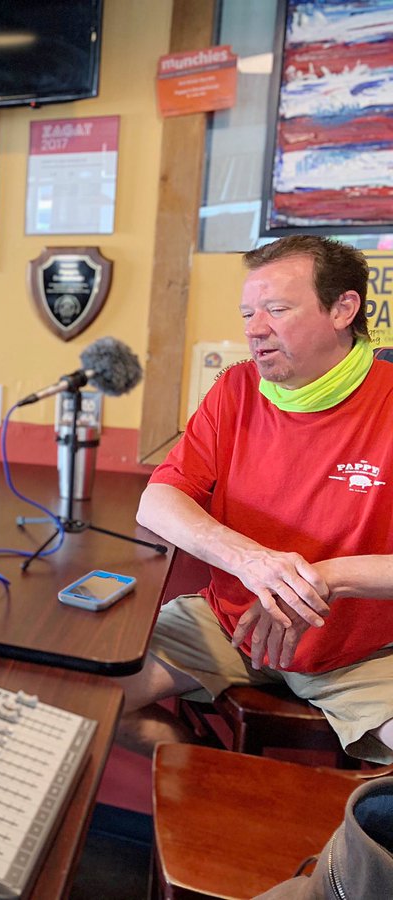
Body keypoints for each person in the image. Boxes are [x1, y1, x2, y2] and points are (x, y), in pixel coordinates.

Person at [120, 234, 393, 765]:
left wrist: (326, 578)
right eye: (248, 312)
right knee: (89, 695)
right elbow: (157, 500)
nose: (254, 328)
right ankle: (210, 791)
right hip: (230, 624)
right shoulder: (237, 388)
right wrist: (252, 562)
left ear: (343, 309)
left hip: (359, 654)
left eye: (276, 309)